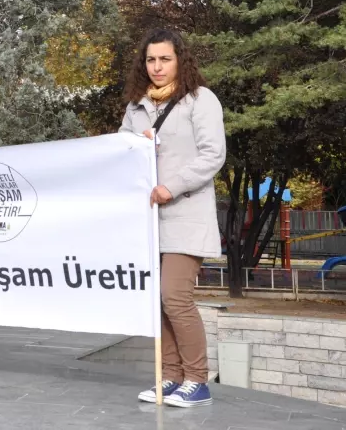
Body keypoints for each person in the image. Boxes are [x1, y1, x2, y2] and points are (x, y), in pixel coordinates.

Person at [121, 29, 225, 408]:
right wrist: (136, 145)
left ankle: (197, 379)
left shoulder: (201, 100)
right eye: (151, 60)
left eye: (164, 59)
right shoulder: (136, 108)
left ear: (180, 59)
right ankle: (171, 376)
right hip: (149, 221)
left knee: (175, 296)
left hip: (186, 213)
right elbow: (121, 155)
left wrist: (173, 185)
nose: (157, 67)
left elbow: (213, 155)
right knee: (157, 301)